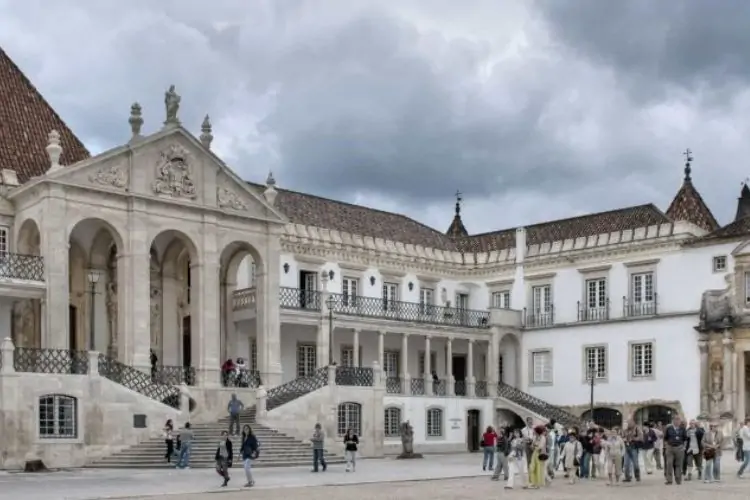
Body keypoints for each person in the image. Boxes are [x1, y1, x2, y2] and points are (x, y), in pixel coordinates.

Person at [664, 415, 688, 485]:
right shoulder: (669, 428)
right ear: (673, 421)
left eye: (678, 420)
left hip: (679, 448)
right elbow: (665, 438)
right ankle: (669, 480)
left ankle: (678, 479)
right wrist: (666, 446)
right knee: (669, 463)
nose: (677, 421)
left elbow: (685, 439)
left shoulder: (682, 429)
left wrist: (684, 447)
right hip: (670, 448)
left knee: (679, 464)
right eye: (676, 420)